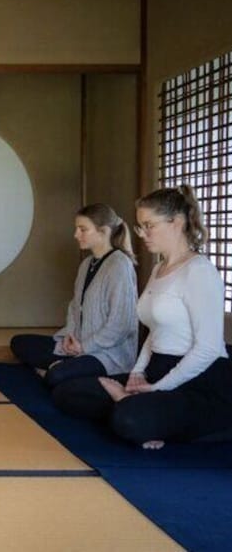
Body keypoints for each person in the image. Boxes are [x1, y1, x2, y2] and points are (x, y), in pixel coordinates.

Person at [52, 185, 232, 449]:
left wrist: (157, 387)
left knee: (130, 419)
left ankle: (136, 409)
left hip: (198, 379)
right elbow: (155, 331)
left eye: (149, 225)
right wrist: (137, 373)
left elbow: (207, 349)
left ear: (177, 222)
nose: (143, 234)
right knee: (68, 393)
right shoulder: (159, 267)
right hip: (156, 368)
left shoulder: (199, 271)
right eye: (140, 227)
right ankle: (141, 409)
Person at [11, 203, 138, 387]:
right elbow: (74, 306)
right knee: (20, 343)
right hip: (76, 345)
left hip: (106, 353)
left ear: (103, 231)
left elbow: (121, 324)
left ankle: (57, 370)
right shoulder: (87, 263)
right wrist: (71, 337)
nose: (76, 235)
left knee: (57, 377)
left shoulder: (119, 265)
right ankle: (62, 367)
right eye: (77, 229)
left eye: (83, 229)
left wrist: (85, 346)